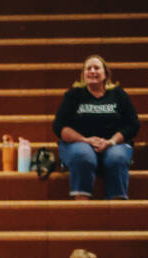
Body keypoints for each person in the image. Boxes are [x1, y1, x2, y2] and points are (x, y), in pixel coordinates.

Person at [53, 55, 138, 200]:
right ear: (83, 74)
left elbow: (133, 125)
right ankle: (82, 204)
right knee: (83, 155)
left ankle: (116, 206)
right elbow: (59, 126)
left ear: (105, 74)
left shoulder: (119, 94)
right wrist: (85, 140)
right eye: (88, 68)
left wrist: (110, 142)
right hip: (80, 143)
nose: (92, 71)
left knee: (116, 157)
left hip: (114, 144)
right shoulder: (73, 95)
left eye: (97, 68)